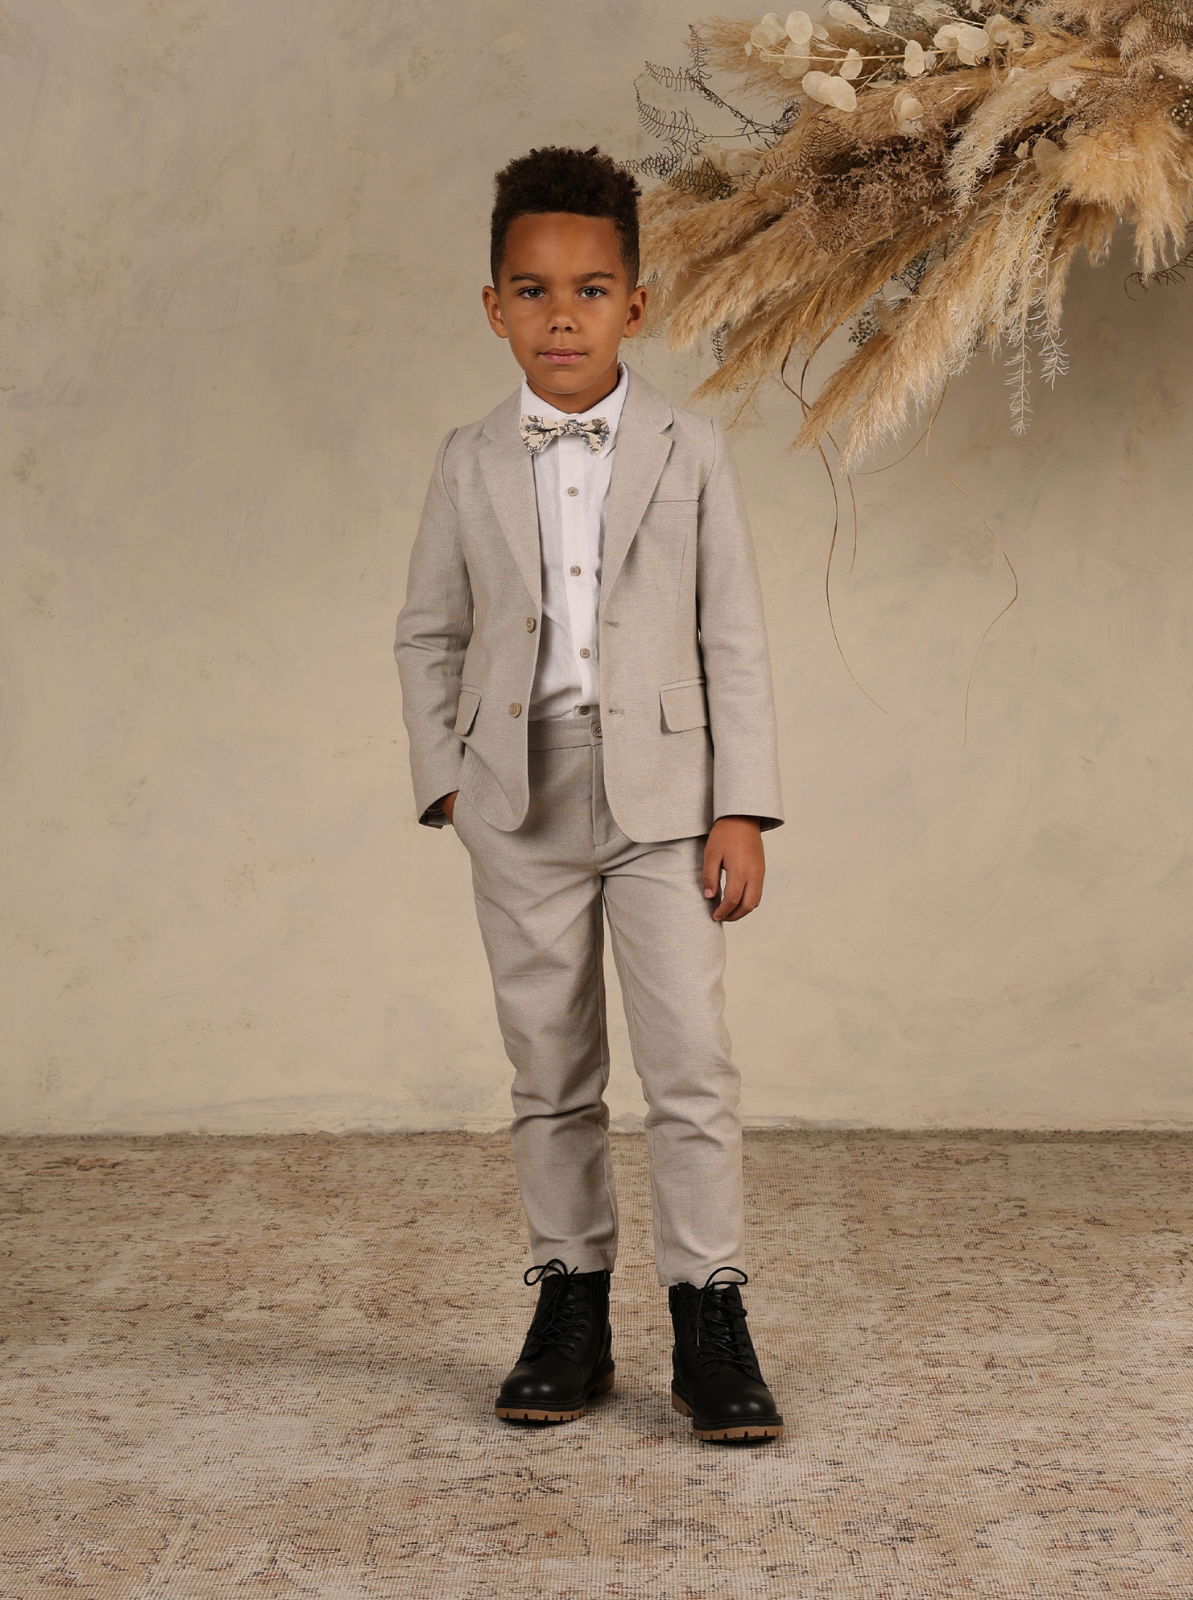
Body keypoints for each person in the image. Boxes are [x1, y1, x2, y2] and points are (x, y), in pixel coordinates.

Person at [394, 146, 785, 1443]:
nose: (562, 314)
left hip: (669, 807)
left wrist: (744, 806)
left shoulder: (691, 449)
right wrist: (449, 782)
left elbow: (733, 633)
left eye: (591, 287)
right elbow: (428, 633)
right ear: (494, 306)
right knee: (550, 1069)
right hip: (519, 807)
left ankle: (708, 1314)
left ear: (637, 303)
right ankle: (571, 1307)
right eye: (533, 289)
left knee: (689, 1068)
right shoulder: (466, 460)